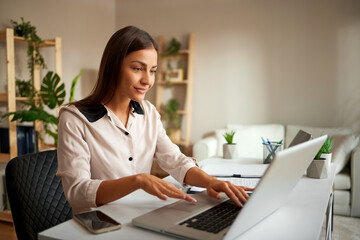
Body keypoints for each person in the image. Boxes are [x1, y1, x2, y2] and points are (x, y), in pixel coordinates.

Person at [57, 26, 252, 213]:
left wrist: (211, 181)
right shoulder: (75, 118)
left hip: (140, 214)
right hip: (98, 225)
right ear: (113, 67)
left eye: (152, 70)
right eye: (137, 68)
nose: (148, 80)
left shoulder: (148, 112)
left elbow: (175, 160)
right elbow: (77, 192)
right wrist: (138, 181)